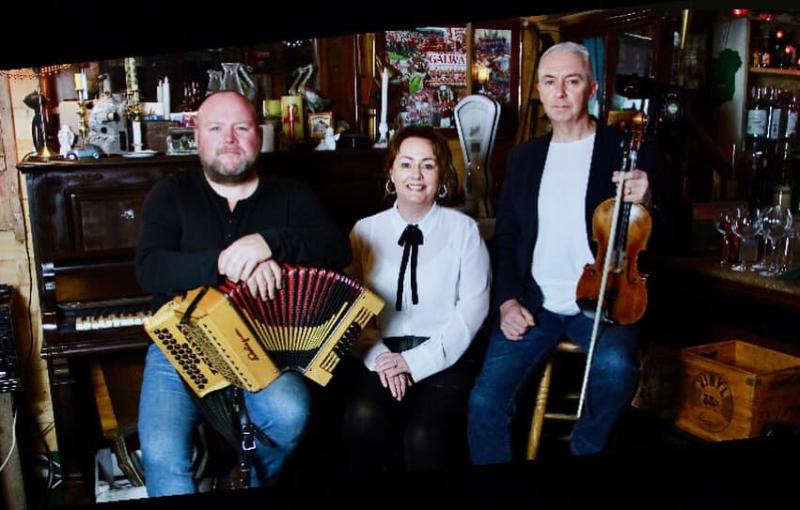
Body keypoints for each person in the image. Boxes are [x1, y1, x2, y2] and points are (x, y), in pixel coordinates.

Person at [135, 90, 351, 496]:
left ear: (260, 135)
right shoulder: (170, 195)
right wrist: (226, 263)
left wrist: (270, 244)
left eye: (241, 127)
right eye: (216, 128)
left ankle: (249, 479)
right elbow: (151, 269)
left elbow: (337, 248)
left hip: (261, 344)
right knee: (163, 456)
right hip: (179, 344)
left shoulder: (292, 195)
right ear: (196, 136)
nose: (229, 138)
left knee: (291, 414)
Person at [467, 41, 655, 464]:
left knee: (617, 369)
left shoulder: (628, 153)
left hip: (605, 301)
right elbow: (509, 239)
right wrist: (507, 300)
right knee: (484, 402)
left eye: (572, 82)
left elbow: (673, 229)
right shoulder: (524, 158)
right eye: (551, 82)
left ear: (592, 88)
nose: (561, 93)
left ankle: (586, 450)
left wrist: (650, 195)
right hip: (536, 304)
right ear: (539, 89)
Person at [342, 126, 491, 475]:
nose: (416, 175)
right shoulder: (364, 231)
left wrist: (415, 362)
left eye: (428, 165)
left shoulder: (464, 230)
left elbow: (472, 310)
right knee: (362, 416)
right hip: (379, 354)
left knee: (423, 433)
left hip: (445, 354)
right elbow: (350, 309)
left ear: (441, 175)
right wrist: (381, 358)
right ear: (391, 172)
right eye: (407, 164)